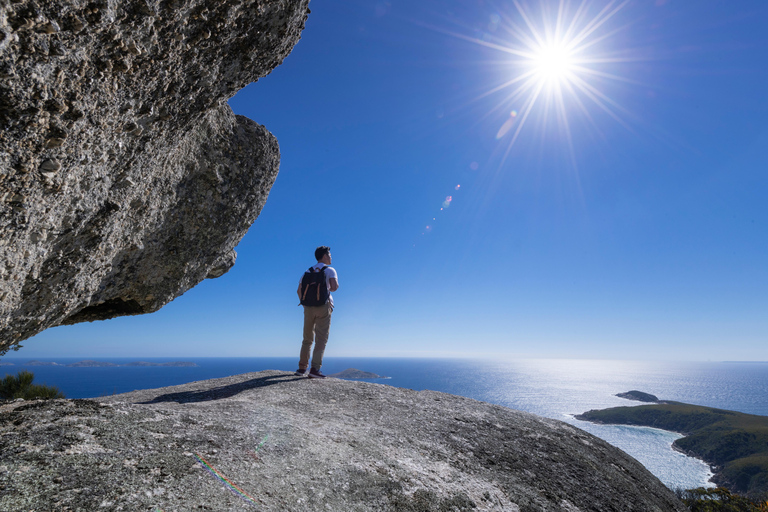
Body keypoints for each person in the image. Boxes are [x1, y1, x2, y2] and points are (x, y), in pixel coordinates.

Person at [295, 246, 338, 379]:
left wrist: (305, 304)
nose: (331, 257)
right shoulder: (330, 270)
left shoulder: (307, 271)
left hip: (308, 308)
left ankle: (302, 368)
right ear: (324, 256)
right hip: (324, 307)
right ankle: (315, 369)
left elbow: (299, 290)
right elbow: (335, 287)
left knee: (307, 338)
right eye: (329, 254)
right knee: (321, 338)